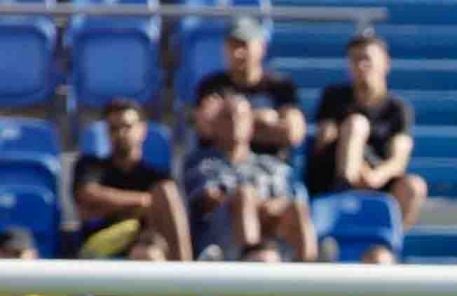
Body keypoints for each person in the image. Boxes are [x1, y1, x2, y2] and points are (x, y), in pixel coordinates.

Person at [306, 30, 429, 229]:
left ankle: (388, 238)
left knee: (414, 186)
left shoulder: (397, 109)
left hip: (378, 178)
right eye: (355, 60)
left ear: (385, 63)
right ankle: (344, 197)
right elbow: (325, 139)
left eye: (367, 59)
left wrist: (375, 176)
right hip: (333, 176)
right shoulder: (334, 98)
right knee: (357, 124)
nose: (361, 66)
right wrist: (358, 169)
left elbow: (399, 157)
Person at [185, 94, 318, 263]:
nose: (235, 122)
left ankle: (311, 266)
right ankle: (249, 259)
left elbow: (284, 197)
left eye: (241, 117)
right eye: (228, 117)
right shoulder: (202, 163)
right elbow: (207, 200)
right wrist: (249, 201)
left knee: (296, 207)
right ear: (215, 125)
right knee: (245, 194)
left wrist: (266, 206)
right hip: (224, 235)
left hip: (269, 229)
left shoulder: (270, 165)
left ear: (251, 125)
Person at [72, 101, 191, 263]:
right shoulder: (90, 167)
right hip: (98, 247)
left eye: (127, 126)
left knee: (151, 251)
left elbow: (166, 206)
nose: (120, 133)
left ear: (142, 130)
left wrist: (111, 207)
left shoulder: (157, 177)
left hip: (146, 244)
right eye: (113, 128)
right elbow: (87, 197)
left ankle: (184, 270)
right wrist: (143, 202)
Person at [192, 17, 305, 160]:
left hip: (269, 165)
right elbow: (205, 128)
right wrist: (264, 121)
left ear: (261, 47)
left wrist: (228, 122)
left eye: (244, 45)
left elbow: (293, 133)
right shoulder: (212, 85)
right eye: (233, 46)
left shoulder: (280, 86)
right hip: (219, 164)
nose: (238, 53)